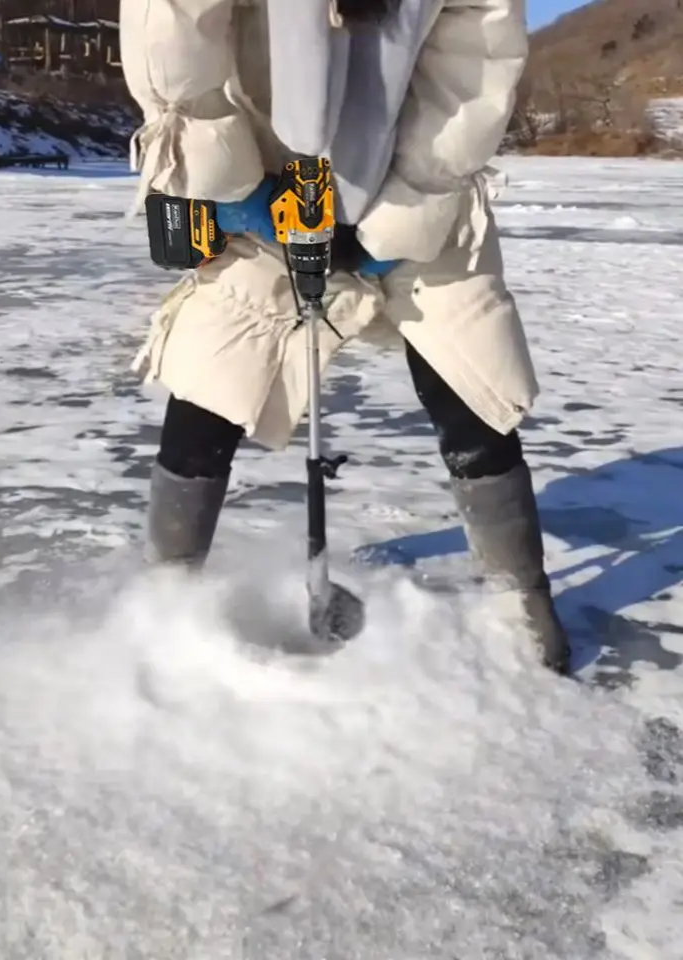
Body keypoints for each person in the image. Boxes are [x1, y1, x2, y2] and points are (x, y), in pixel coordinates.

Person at [119, 0, 571, 675]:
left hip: (418, 164)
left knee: (467, 364)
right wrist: (230, 182)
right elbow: (173, 33)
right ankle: (167, 596)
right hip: (255, 154)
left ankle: (519, 600)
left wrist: (408, 209)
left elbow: (474, 64)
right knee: (218, 367)